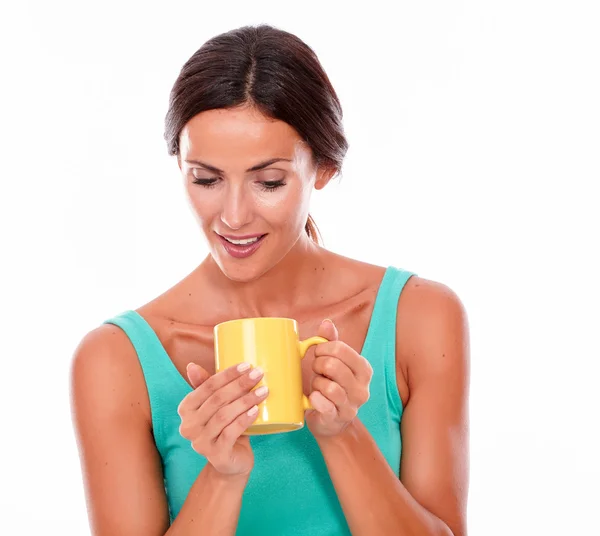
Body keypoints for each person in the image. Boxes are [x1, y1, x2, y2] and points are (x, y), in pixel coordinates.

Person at [70, 24, 470, 536]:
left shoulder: (421, 318)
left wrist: (343, 435)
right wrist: (223, 476)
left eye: (269, 182)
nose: (233, 216)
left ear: (322, 167)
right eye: (206, 178)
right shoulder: (115, 360)